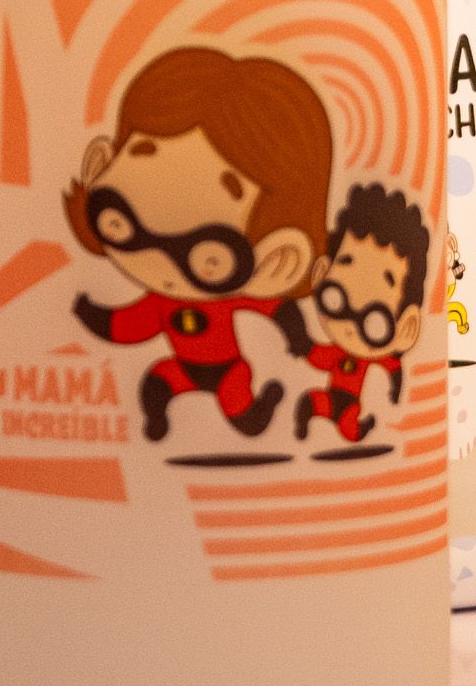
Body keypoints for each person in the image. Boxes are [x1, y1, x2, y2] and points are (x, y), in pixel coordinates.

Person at [66, 47, 330, 442]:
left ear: (276, 261)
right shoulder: (162, 304)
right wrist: (90, 314)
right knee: (156, 386)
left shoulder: (227, 301)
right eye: (120, 221)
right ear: (98, 167)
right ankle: (158, 423)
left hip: (228, 371)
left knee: (242, 414)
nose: (157, 255)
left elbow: (276, 309)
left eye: (208, 256)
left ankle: (264, 406)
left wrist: (299, 339)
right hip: (181, 369)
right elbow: (129, 325)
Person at [297, 184, 430, 442]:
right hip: (330, 397)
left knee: (349, 426)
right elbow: (317, 356)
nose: (351, 321)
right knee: (314, 404)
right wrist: (301, 342)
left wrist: (395, 387)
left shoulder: (372, 357)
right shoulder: (336, 353)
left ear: (405, 327)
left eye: (375, 323)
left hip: (351, 404)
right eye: (336, 299)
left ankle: (362, 428)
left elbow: (391, 366)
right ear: (321, 275)